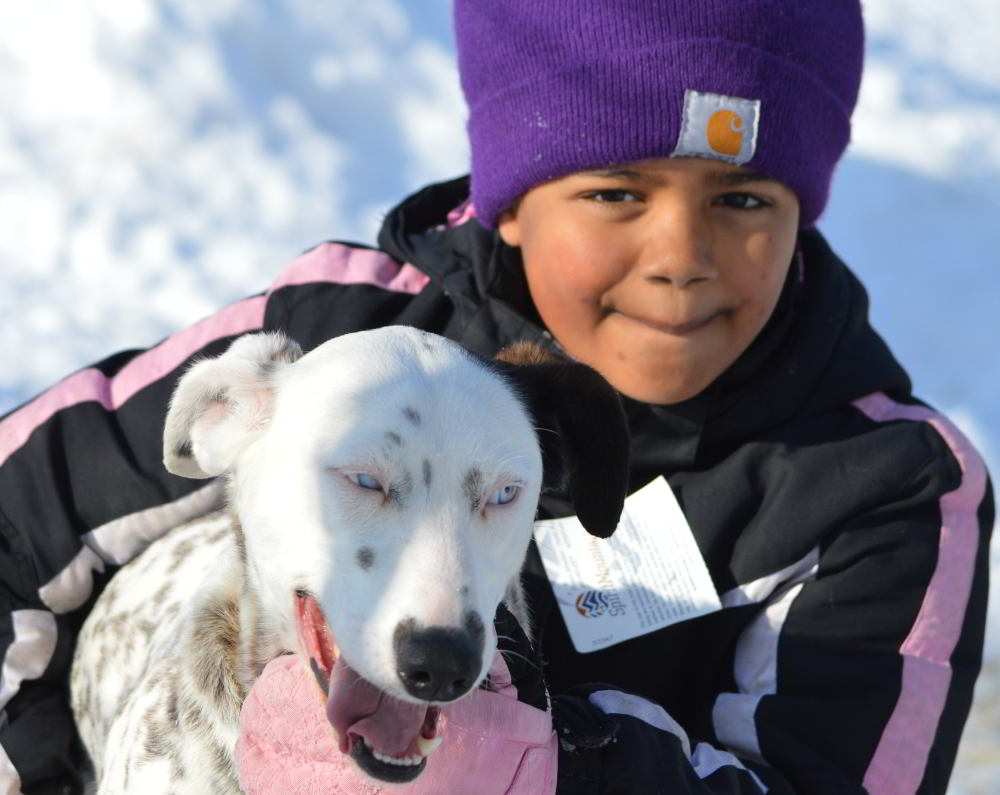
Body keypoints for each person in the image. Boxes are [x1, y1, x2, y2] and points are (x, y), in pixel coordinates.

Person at [0, 1, 992, 792]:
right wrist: (40, 756)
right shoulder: (343, 333)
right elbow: (18, 511)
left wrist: (537, 766)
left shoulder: (883, 485)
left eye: (742, 199)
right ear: (510, 204)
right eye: (615, 192)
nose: (680, 258)